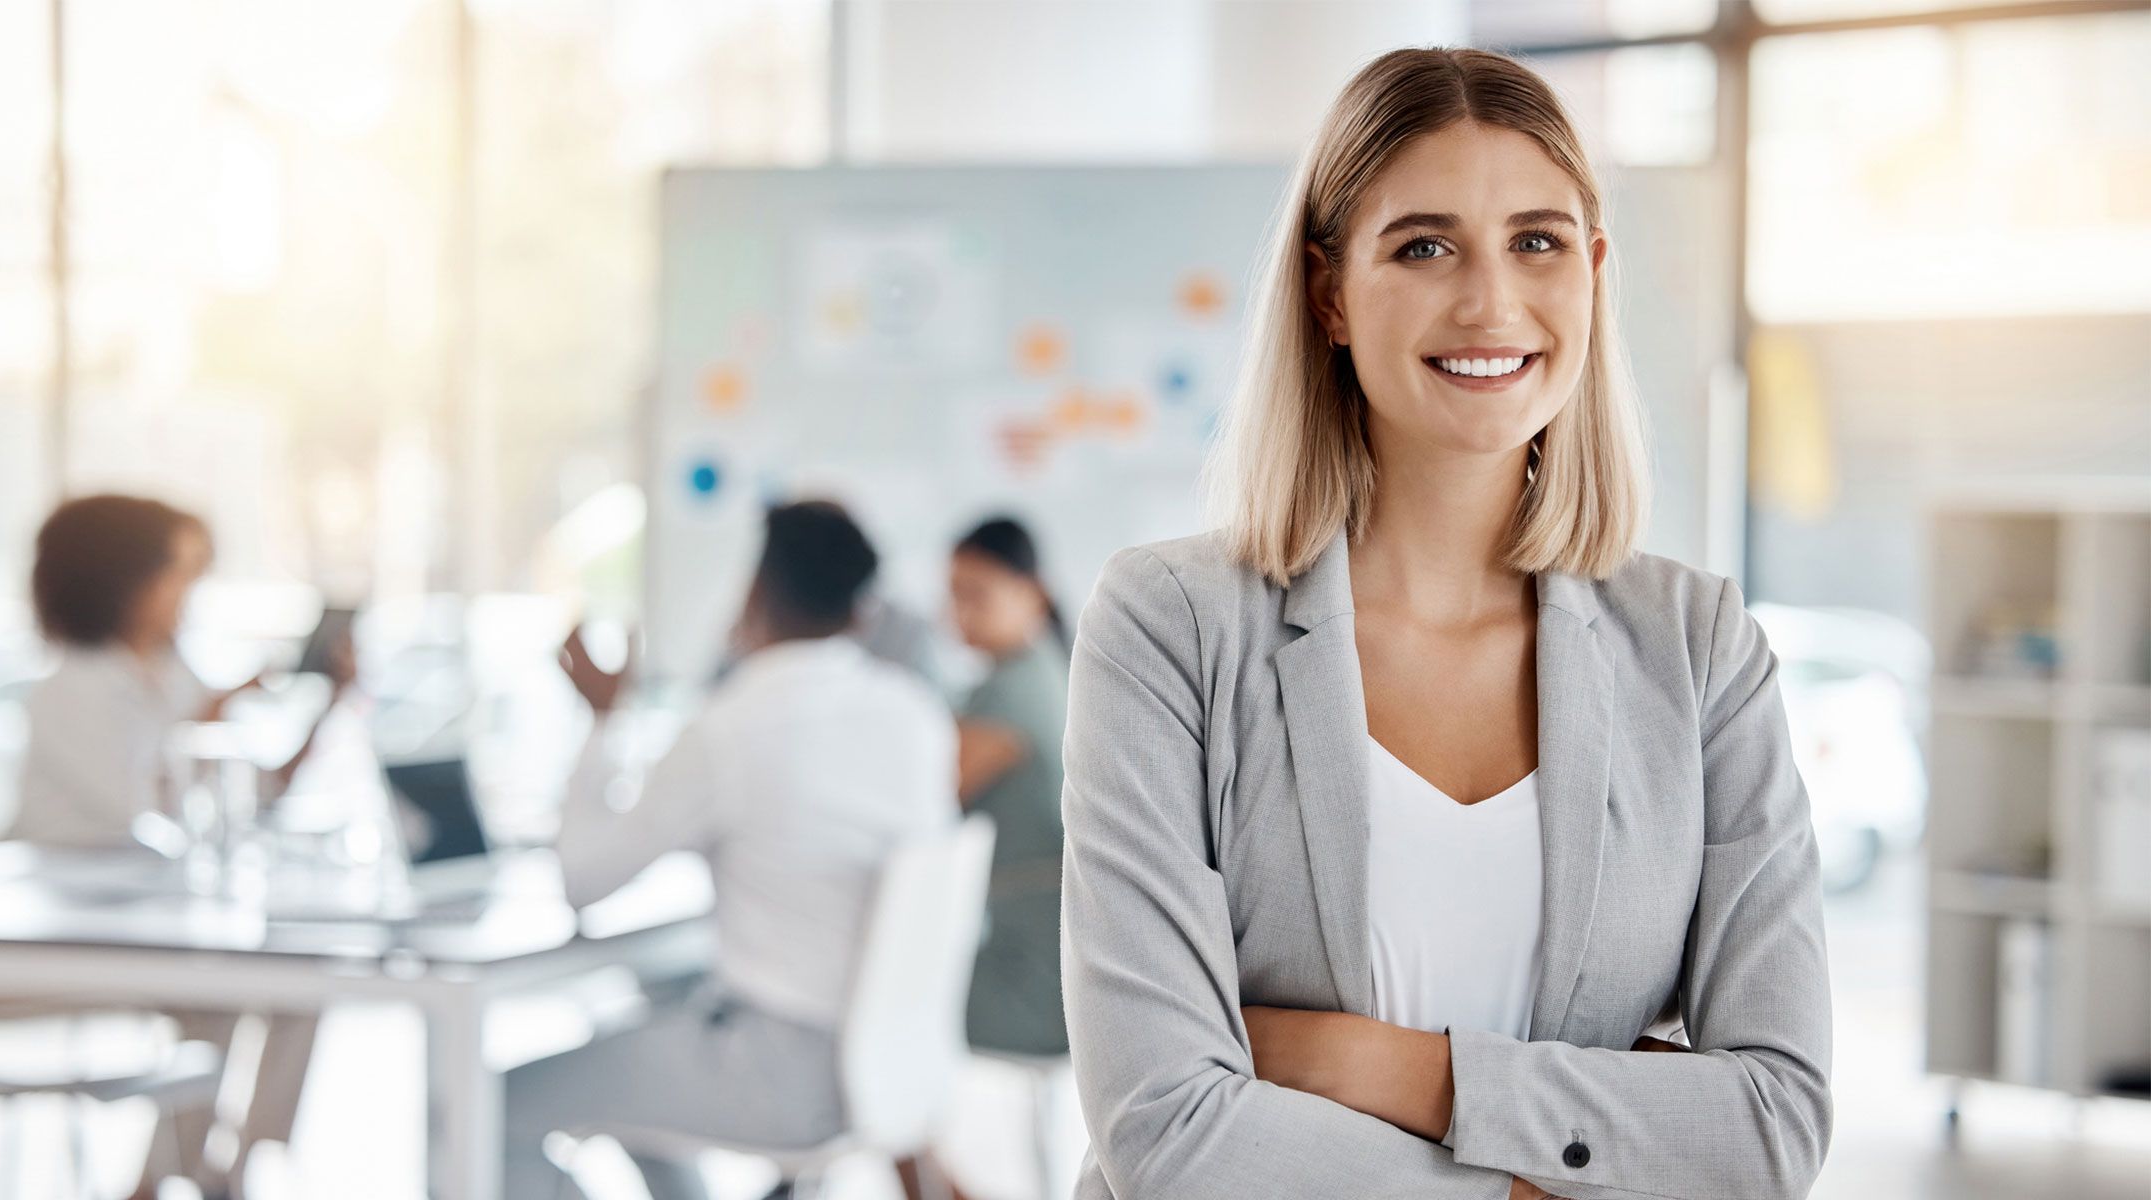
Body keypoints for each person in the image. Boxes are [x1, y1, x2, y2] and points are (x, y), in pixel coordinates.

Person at [1059, 47, 1832, 1200]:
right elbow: (1169, 1135)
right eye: (1423, 246)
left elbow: (1769, 1127)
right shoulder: (1171, 627)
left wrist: (1377, 1064)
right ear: (1328, 292)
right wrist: (1560, 1169)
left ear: (1592, 271)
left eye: (1538, 240)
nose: (1489, 302)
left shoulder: (1697, 646)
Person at [504, 500, 957, 1200]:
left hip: (779, 1077)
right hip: (885, 1062)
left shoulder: (733, 726)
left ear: (754, 592)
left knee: (494, 1107)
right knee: (636, 1052)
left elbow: (583, 878)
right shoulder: (916, 714)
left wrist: (601, 721)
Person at [14, 494, 354, 1200]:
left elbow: (249, 793)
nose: (186, 596)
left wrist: (327, 705)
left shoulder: (172, 675)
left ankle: (239, 1168)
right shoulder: (69, 689)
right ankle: (168, 1182)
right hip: (68, 936)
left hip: (157, 925)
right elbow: (148, 809)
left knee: (302, 980)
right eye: (177, 575)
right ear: (123, 578)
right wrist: (209, 718)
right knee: (217, 996)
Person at [896, 517, 1071, 1200]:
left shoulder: (1015, 695)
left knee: (876, 1008)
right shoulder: (1037, 674)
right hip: (1047, 965)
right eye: (951, 593)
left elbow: (918, 802)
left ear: (1032, 593)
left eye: (976, 592)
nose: (956, 611)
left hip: (1038, 986)